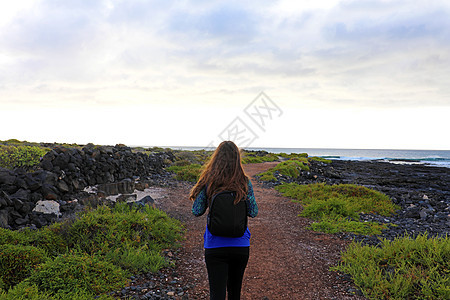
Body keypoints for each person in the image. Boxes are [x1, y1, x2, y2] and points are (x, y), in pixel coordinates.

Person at [190, 141, 258, 300]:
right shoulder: (244, 182)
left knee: (217, 295)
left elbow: (196, 211)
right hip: (240, 246)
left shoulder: (210, 181)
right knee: (235, 294)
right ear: (237, 159)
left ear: (216, 159)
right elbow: (253, 212)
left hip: (215, 246)